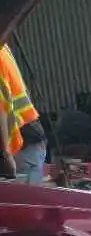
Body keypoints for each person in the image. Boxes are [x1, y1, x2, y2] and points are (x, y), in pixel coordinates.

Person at [0, 44, 46, 183]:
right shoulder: (4, 48)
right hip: (26, 138)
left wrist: (6, 155)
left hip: (21, 143)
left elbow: (2, 108)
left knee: (23, 199)